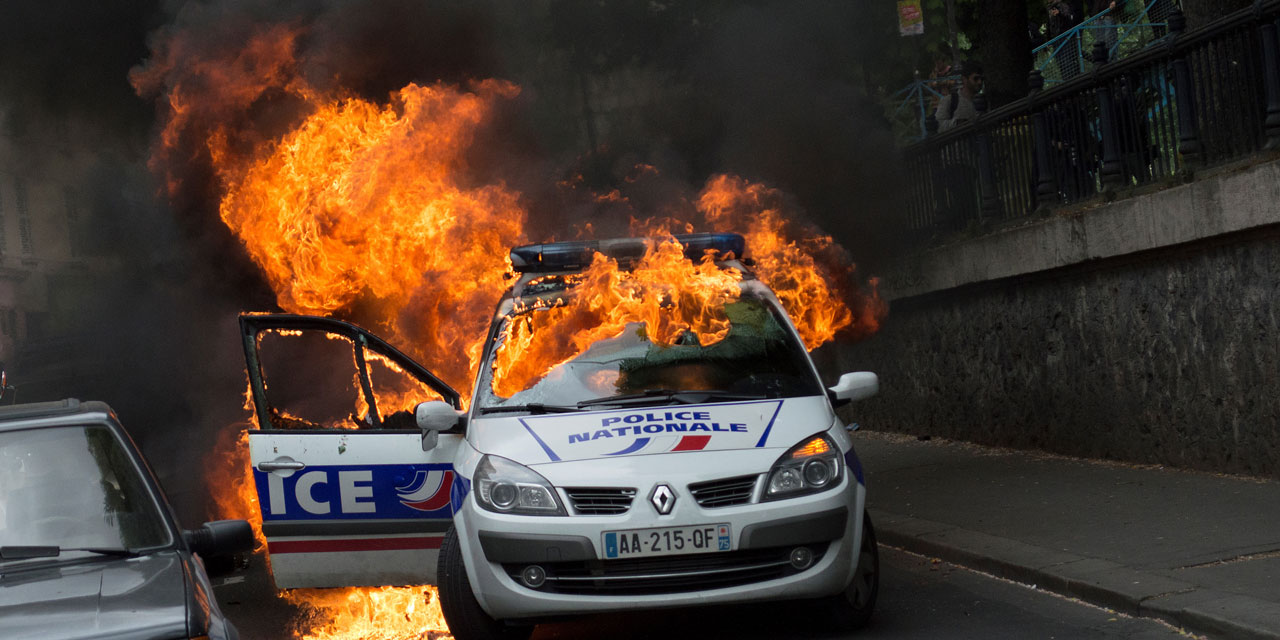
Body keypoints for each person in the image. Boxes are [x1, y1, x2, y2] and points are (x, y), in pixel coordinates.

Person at [934, 62, 983, 131]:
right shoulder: (949, 100)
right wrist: (958, 123)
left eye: (981, 79)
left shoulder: (982, 100)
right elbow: (939, 125)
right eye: (976, 78)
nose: (980, 82)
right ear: (964, 79)